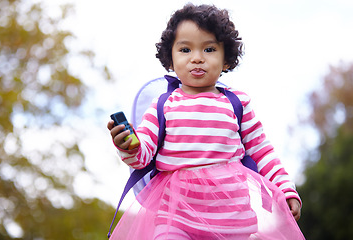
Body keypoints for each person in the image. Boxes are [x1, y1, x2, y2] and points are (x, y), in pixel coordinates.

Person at [107, 4, 304, 240]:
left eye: (209, 49)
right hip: (175, 218)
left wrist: (285, 190)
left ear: (227, 60)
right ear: (170, 59)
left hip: (232, 220)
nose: (197, 58)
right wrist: (129, 146)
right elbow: (143, 157)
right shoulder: (162, 105)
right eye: (185, 50)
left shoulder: (237, 103)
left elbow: (263, 152)